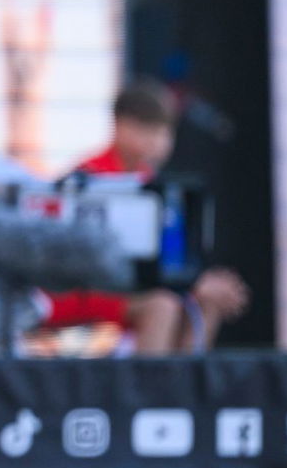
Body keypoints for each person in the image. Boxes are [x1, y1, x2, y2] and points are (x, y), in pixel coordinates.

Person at [41, 79, 249, 355]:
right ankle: (149, 395)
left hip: (127, 287)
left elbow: (166, 258)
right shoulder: (89, 179)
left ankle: (183, 392)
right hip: (82, 291)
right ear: (121, 126)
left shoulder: (151, 183)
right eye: (148, 131)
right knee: (162, 304)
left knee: (209, 299)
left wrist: (196, 284)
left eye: (165, 132)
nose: (159, 142)